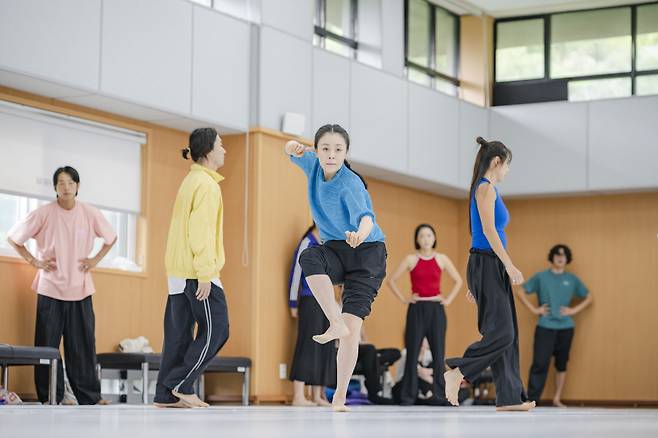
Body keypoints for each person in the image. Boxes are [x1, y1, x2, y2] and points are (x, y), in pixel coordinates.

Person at [285, 124, 387, 412]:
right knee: (309, 257)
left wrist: (360, 234)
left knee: (353, 328)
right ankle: (335, 320)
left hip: (367, 252)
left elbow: (367, 217)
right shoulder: (313, 165)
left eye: (338, 149)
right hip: (337, 249)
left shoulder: (350, 183)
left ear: (346, 152)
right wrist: (292, 146)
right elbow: (289, 149)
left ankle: (339, 397)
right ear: (317, 150)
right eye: (326, 148)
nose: (331, 154)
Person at [7, 166, 116, 405]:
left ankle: (89, 396)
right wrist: (33, 261)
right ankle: (50, 396)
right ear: (55, 188)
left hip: (81, 288)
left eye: (70, 183)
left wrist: (95, 260)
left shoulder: (89, 213)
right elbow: (14, 238)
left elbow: (110, 237)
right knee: (47, 346)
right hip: (50, 288)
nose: (65, 187)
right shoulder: (44, 213)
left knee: (83, 345)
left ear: (78, 186)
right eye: (60, 183)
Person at [444, 136, 535, 412]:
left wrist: (481, 277)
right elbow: (487, 231)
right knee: (503, 333)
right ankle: (458, 371)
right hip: (489, 264)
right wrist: (508, 264)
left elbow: (479, 235)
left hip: (488, 266)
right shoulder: (485, 189)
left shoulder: (486, 189)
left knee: (507, 333)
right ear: (496, 162)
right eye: (506, 165)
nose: (507, 171)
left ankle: (509, 397)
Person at [154, 128, 230, 408]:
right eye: (221, 145)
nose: (225, 150)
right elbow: (200, 233)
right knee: (218, 329)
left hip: (178, 271)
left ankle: (165, 395)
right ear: (208, 151)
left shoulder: (191, 180)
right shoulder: (207, 186)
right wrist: (206, 273)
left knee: (178, 335)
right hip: (195, 272)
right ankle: (181, 384)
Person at [387, 224, 462, 405]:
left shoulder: (442, 258)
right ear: (417, 239)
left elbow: (458, 281)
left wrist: (449, 300)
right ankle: (408, 396)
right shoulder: (411, 259)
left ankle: (439, 395)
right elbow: (391, 281)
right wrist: (405, 299)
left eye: (429, 235)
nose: (426, 239)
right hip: (417, 309)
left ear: (434, 238)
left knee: (438, 353)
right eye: (422, 236)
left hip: (436, 309)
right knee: (412, 354)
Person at [516, 244, 593, 407]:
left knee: (561, 363)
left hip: (566, 328)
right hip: (545, 326)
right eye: (557, 254)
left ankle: (557, 398)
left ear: (567, 259)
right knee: (540, 363)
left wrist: (573, 310)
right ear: (552, 257)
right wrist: (534, 309)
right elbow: (520, 291)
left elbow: (589, 297)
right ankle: (531, 400)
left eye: (564, 255)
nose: (560, 257)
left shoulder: (572, 279)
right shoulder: (541, 277)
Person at [288, 223, 336, 407]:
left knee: (326, 345)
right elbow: (295, 274)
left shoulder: (328, 244)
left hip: (327, 302)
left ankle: (317, 395)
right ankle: (298, 395)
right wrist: (293, 303)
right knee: (308, 344)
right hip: (309, 300)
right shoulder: (307, 242)